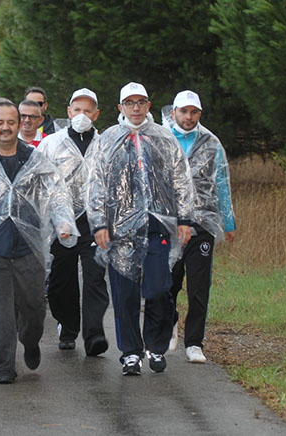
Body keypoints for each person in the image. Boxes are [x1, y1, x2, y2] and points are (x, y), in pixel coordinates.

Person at [0, 101, 78, 384]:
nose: (6, 127)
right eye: (0, 122)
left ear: (19, 122)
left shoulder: (36, 160)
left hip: (29, 247)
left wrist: (63, 223)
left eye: (11, 121)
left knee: (34, 307)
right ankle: (5, 364)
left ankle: (31, 340)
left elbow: (56, 194)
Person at [86, 82, 194, 376]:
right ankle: (131, 353)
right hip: (120, 230)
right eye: (129, 103)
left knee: (159, 289)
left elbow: (181, 179)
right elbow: (95, 183)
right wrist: (98, 223)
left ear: (149, 105)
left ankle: (155, 347)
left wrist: (184, 219)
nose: (135, 108)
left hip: (157, 225)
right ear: (120, 108)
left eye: (141, 102)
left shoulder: (163, 138)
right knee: (125, 294)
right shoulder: (108, 139)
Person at [166, 90, 236, 363]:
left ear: (200, 114)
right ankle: (169, 324)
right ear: (174, 113)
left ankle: (194, 342)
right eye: (184, 111)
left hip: (203, 222)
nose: (188, 117)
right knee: (168, 282)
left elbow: (222, 183)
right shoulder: (162, 139)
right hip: (169, 223)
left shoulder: (211, 143)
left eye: (194, 112)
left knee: (199, 286)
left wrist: (227, 221)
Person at [38, 88, 109, 355]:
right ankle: (67, 326)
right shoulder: (51, 144)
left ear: (97, 114)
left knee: (94, 279)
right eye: (77, 110)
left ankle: (94, 335)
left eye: (88, 110)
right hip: (61, 225)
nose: (82, 115)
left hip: (95, 224)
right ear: (68, 112)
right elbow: (40, 182)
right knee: (60, 283)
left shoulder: (106, 144)